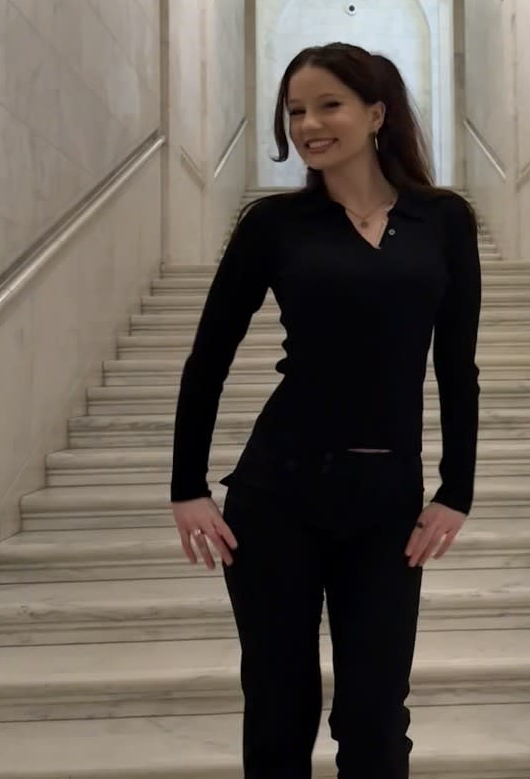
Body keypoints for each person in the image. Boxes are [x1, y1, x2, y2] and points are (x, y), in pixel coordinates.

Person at [169, 42, 482, 779]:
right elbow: (207, 358)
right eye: (296, 110)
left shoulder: (443, 222)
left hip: (385, 504)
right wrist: (188, 487)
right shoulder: (274, 225)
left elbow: (456, 367)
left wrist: (455, 491)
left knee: (375, 717)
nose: (309, 124)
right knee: (279, 707)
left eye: (327, 105)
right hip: (275, 495)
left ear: (376, 113)